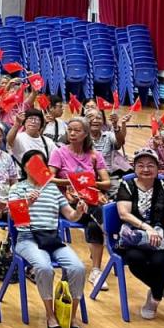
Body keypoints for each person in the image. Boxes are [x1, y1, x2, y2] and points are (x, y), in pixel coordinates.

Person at [9, 149, 90, 328]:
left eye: (41, 163)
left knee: (78, 268)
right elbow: (14, 217)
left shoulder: (52, 189)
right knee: (44, 268)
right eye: (32, 162)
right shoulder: (17, 188)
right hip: (27, 238)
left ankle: (71, 316)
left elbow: (70, 215)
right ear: (25, 167)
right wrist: (27, 203)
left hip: (52, 239)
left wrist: (79, 211)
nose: (37, 166)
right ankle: (50, 315)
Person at [114, 147, 164, 320]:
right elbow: (123, 214)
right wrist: (147, 228)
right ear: (134, 168)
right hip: (134, 239)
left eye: (150, 165)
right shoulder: (127, 185)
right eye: (141, 165)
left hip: (162, 241)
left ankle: (153, 300)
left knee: (159, 261)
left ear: (158, 168)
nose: (146, 169)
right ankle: (161, 290)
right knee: (135, 259)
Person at [49, 117, 111, 280]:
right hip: (68, 204)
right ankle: (109, 230)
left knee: (93, 224)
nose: (72, 133)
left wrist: (89, 183)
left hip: (89, 200)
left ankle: (96, 270)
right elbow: (49, 178)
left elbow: (107, 183)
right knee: (96, 211)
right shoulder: (59, 153)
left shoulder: (94, 155)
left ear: (85, 134)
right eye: (70, 130)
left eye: (77, 130)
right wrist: (71, 182)